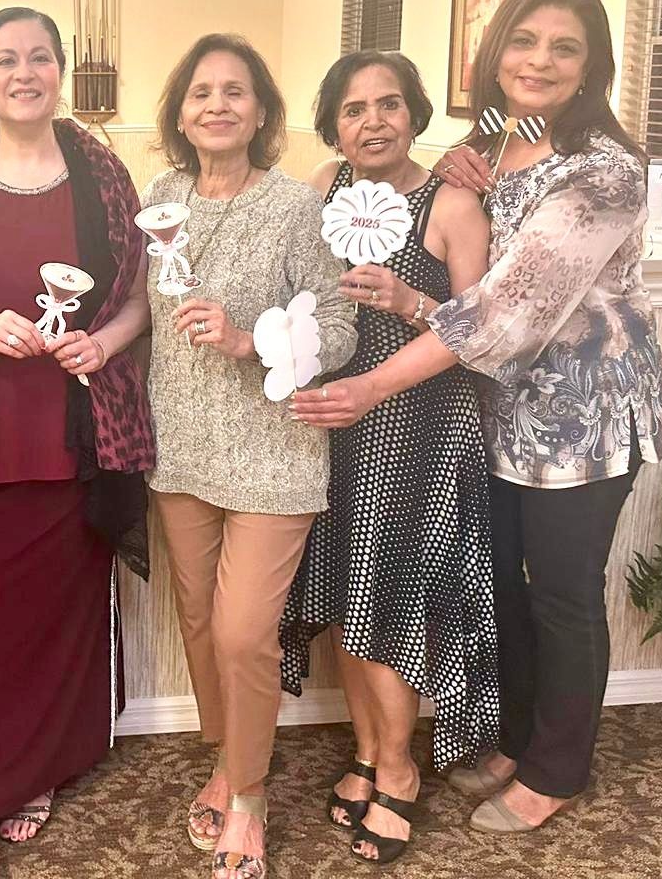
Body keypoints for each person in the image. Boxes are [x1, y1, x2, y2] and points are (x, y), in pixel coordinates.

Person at [293, 0, 662, 837]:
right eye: (524, 41)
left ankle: (558, 767)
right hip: (489, 414)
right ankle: (515, 736)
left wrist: (371, 385)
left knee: (564, 592)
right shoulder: (496, 143)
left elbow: (509, 309)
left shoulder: (605, 172)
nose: (539, 61)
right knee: (504, 584)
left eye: (564, 47)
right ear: (494, 52)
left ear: (592, 67)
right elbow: (467, 296)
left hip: (583, 419)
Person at [0, 6, 155, 879]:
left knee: (62, 613)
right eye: (5, 58)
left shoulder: (105, 174)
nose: (24, 71)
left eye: (40, 57)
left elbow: (134, 300)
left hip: (78, 433)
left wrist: (105, 343)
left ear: (60, 72)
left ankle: (37, 768)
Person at [142, 34, 357, 879]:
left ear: (261, 111)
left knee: (242, 633)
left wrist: (249, 341)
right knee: (199, 623)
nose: (217, 105)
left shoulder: (294, 209)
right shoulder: (159, 196)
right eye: (201, 92)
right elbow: (136, 304)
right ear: (181, 112)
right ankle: (228, 758)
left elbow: (339, 328)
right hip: (182, 446)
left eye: (236, 92)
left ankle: (251, 796)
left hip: (274, 453)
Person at [278, 50, 495, 866]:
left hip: (421, 429)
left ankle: (399, 770)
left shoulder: (452, 202)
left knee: (389, 601)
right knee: (344, 593)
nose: (373, 121)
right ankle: (368, 752)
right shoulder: (327, 190)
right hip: (338, 423)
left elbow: (483, 335)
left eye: (390, 104)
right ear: (333, 122)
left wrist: (411, 300)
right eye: (354, 108)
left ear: (417, 113)